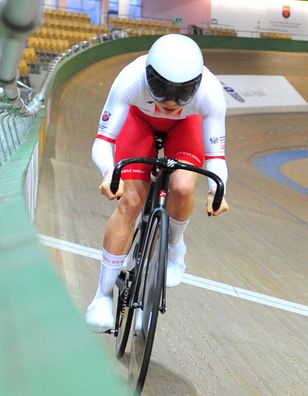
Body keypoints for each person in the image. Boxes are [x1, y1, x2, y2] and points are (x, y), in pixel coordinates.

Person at [85, 34, 230, 332]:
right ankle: (102, 296)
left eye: (182, 93)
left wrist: (218, 190)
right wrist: (109, 172)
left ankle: (174, 248)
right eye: (162, 91)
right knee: (130, 201)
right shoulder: (129, 80)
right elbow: (103, 141)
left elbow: (217, 157)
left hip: (185, 127)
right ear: (149, 76)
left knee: (183, 187)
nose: (171, 102)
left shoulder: (211, 93)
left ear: (197, 85)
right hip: (139, 121)